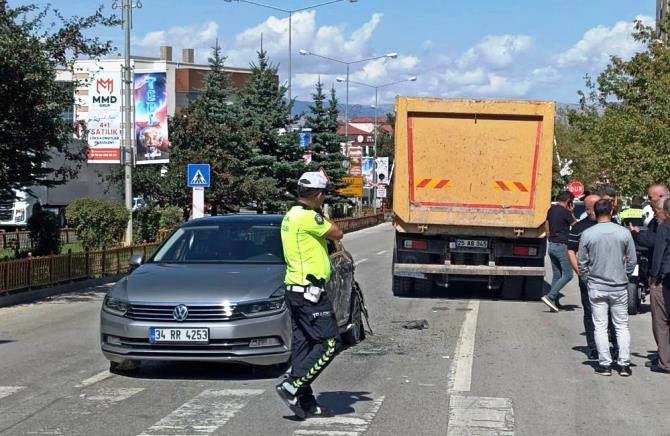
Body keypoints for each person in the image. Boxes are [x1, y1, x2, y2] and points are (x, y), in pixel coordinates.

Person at [277, 171, 344, 419]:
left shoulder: (290, 215)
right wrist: (321, 213)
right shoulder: (308, 218)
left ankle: (306, 402)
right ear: (317, 195)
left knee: (303, 346)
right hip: (309, 292)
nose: (324, 198)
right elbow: (337, 233)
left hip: (295, 290)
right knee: (329, 343)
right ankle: (291, 385)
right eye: (323, 194)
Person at [578, 199, 637, 376]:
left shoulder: (588, 234)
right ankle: (624, 363)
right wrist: (624, 274)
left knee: (600, 326)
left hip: (597, 286)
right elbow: (632, 259)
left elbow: (582, 262)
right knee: (621, 325)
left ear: (595, 213)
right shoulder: (624, 233)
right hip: (618, 286)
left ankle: (604, 364)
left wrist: (588, 278)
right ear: (612, 211)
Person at [568, 194, 601, 359]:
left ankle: (612, 346)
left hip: (607, 279)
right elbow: (571, 250)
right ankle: (593, 347)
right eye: (594, 207)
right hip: (587, 277)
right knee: (590, 312)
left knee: (608, 313)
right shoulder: (579, 228)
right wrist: (579, 272)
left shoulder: (610, 225)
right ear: (588, 210)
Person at [542, 191, 576, 312]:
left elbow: (546, 223)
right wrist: (572, 213)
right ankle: (550, 296)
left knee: (557, 275)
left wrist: (549, 236)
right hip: (562, 245)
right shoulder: (566, 212)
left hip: (551, 245)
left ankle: (553, 303)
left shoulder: (551, 210)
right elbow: (575, 226)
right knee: (568, 274)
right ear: (568, 202)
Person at [647, 197, 670, 374]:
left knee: (662, 322)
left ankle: (665, 362)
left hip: (666, 279)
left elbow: (659, 253)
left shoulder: (665, 226)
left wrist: (654, 279)